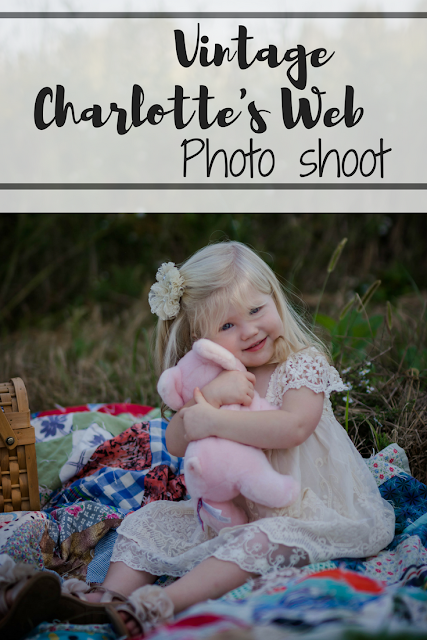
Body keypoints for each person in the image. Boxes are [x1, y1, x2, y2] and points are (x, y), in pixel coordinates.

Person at [78, 241, 395, 636]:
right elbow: (177, 441)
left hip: (308, 507)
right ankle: (102, 599)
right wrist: (208, 400)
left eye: (256, 310)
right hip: (234, 511)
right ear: (202, 338)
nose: (248, 331)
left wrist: (213, 421)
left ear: (275, 300)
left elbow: (292, 427)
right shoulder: (214, 377)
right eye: (227, 326)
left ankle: (163, 602)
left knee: (259, 543)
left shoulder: (302, 362)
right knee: (149, 523)